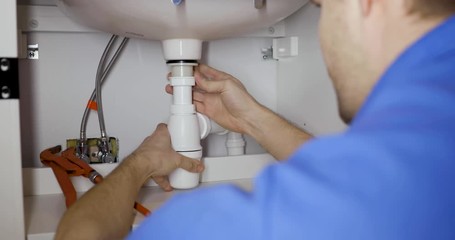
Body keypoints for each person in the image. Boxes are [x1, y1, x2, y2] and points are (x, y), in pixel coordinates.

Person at [56, 0, 455, 239]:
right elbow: (367, 175)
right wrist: (252, 121)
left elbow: (77, 236)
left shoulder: (316, 215)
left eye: (323, 8)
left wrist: (141, 162)